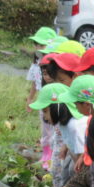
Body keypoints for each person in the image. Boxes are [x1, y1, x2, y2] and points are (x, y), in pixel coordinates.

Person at [57, 75, 94, 187]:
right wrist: (84, 155)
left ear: (87, 104)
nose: (75, 107)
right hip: (89, 163)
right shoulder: (92, 118)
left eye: (76, 103)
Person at [28, 83, 86, 187]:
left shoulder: (75, 126)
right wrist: (65, 146)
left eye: (45, 111)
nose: (44, 117)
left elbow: (84, 164)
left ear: (58, 107)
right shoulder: (64, 125)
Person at [27, 26, 58, 169]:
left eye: (41, 45)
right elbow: (34, 83)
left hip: (54, 101)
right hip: (42, 100)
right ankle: (45, 156)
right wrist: (30, 98)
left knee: (54, 130)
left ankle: (52, 157)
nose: (38, 48)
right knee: (45, 129)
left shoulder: (54, 65)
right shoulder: (36, 64)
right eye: (36, 44)